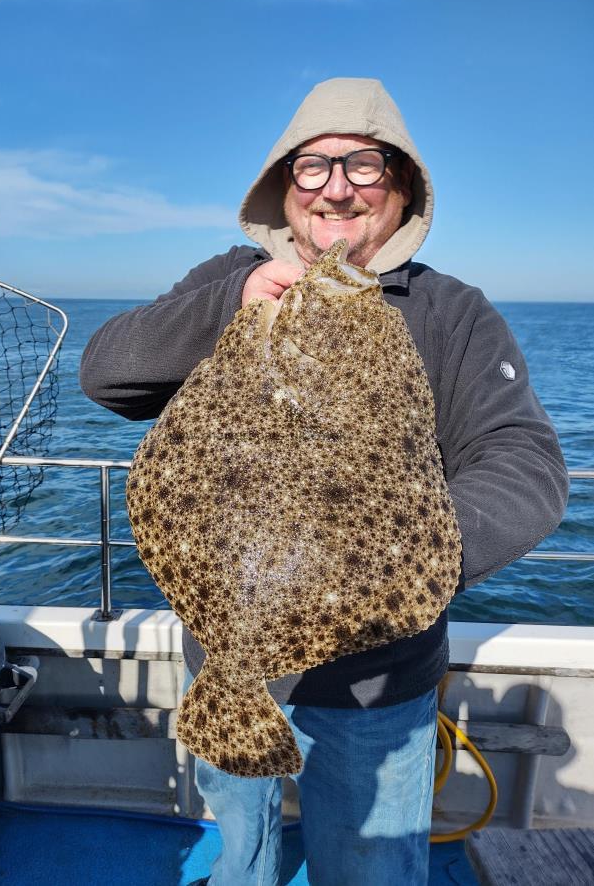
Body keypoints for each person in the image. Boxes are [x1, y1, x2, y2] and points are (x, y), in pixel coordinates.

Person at [80, 78, 569, 885]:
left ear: (402, 187)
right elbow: (105, 377)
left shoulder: (450, 312)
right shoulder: (229, 278)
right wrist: (229, 302)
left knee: (367, 868)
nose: (336, 186)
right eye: (311, 167)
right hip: (223, 656)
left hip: (376, 687)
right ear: (283, 186)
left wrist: (386, 567)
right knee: (241, 853)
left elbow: (524, 467)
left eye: (365, 165)